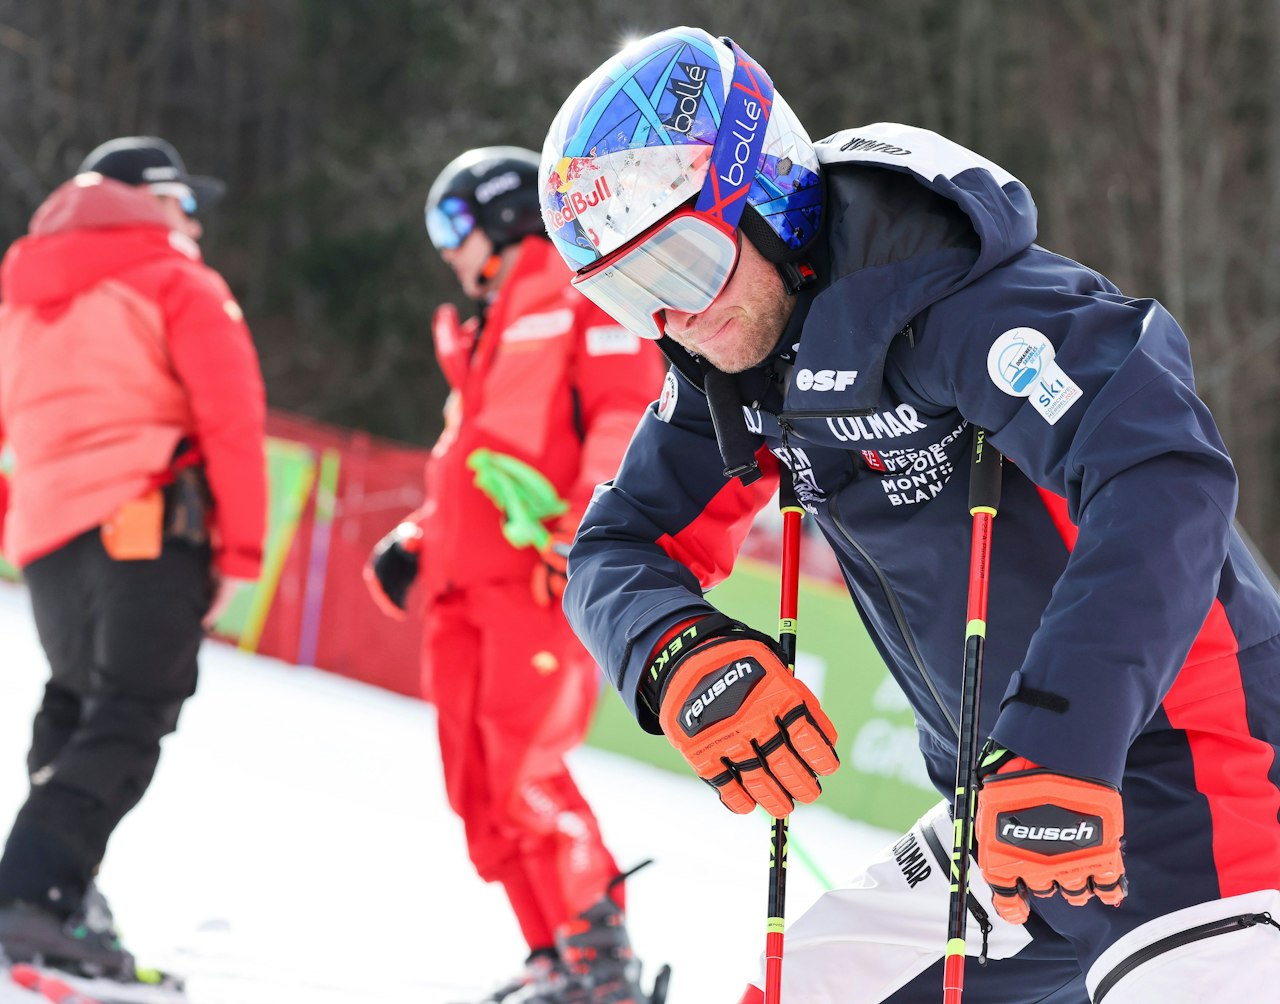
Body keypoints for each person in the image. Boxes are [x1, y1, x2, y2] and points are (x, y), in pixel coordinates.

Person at [536, 26, 1280, 1004]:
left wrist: (1064, 733)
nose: (668, 318)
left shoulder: (963, 303)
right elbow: (617, 540)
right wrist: (678, 652)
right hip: (1007, 810)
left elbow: (1161, 473)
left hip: (1205, 779)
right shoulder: (739, 360)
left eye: (678, 262)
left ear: (760, 191)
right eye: (628, 294)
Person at [363, 146, 669, 1004]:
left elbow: (625, 416)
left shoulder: (580, 292)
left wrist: (583, 534)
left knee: (526, 771)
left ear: (503, 215)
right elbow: (475, 462)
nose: (445, 250)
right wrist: (420, 538)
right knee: (478, 787)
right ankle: (555, 958)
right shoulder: (494, 322)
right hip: (467, 589)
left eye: (451, 225)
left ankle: (602, 967)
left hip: (538, 583)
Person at [0, 136, 267, 989]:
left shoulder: (23, 292)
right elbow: (230, 416)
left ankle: (61, 886)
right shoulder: (177, 279)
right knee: (133, 709)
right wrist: (241, 551)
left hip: (46, 536)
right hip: (145, 527)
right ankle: (32, 894)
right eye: (185, 203)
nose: (193, 223)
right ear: (150, 198)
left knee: (79, 700)